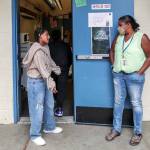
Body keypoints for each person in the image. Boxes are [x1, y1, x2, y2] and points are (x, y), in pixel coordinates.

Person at [105, 15, 150, 146]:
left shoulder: (142, 37)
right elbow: (111, 51)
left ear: (128, 24)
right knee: (118, 102)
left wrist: (140, 72)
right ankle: (116, 129)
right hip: (118, 75)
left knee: (136, 103)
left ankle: (137, 133)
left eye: (120, 25)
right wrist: (114, 65)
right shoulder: (118, 38)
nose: (118, 27)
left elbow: (149, 57)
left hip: (134, 77)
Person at [22, 27, 63, 146]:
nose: (48, 37)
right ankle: (35, 135)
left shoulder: (46, 47)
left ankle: (49, 127)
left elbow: (49, 61)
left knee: (49, 104)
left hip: (44, 80)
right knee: (37, 109)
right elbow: (43, 70)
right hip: (36, 82)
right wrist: (51, 83)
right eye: (46, 35)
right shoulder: (37, 51)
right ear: (40, 36)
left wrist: (57, 69)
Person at [49, 29, 72, 117]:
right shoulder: (65, 45)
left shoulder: (48, 46)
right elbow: (70, 58)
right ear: (60, 36)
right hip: (63, 69)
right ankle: (59, 108)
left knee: (52, 86)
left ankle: (53, 102)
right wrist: (67, 68)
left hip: (52, 70)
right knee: (61, 88)